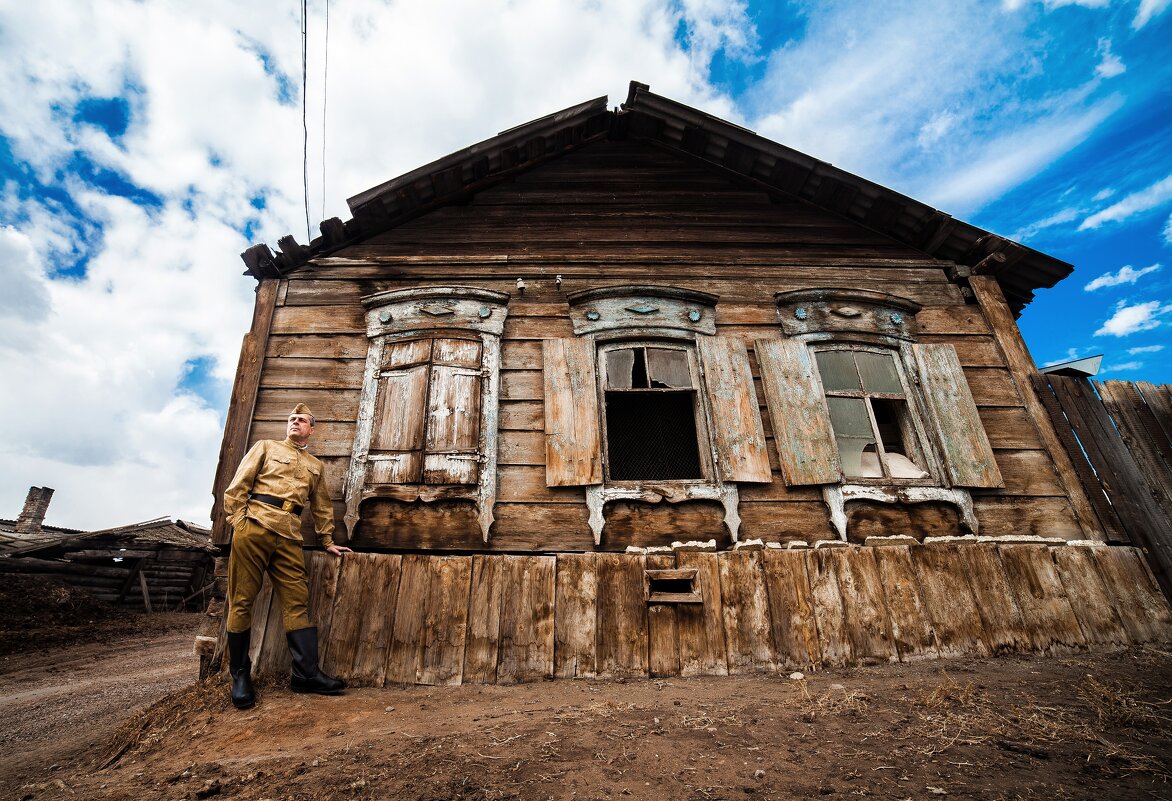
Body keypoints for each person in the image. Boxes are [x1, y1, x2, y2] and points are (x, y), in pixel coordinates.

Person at [221, 403, 352, 709]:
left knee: (297, 602)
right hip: (255, 526)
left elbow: (320, 507)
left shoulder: (315, 466)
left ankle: (305, 675)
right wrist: (239, 522)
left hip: (290, 537)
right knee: (242, 600)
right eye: (292, 418)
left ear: (312, 429)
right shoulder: (265, 447)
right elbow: (237, 488)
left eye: (302, 420)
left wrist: (327, 540)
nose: (295, 422)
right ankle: (240, 675)